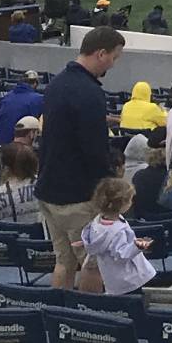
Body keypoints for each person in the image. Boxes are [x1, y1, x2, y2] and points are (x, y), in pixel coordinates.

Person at [40, 27, 125, 289]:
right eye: (114, 56)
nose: (114, 62)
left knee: (64, 261)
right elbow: (94, 149)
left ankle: (59, 315)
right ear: (101, 54)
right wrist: (112, 187)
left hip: (49, 189)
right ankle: (87, 322)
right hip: (76, 196)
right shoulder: (88, 92)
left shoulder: (57, 83)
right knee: (93, 264)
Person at [81, 174, 157, 295]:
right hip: (128, 279)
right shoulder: (117, 231)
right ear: (122, 204)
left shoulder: (98, 222)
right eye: (130, 199)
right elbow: (122, 255)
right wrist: (138, 246)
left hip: (112, 278)